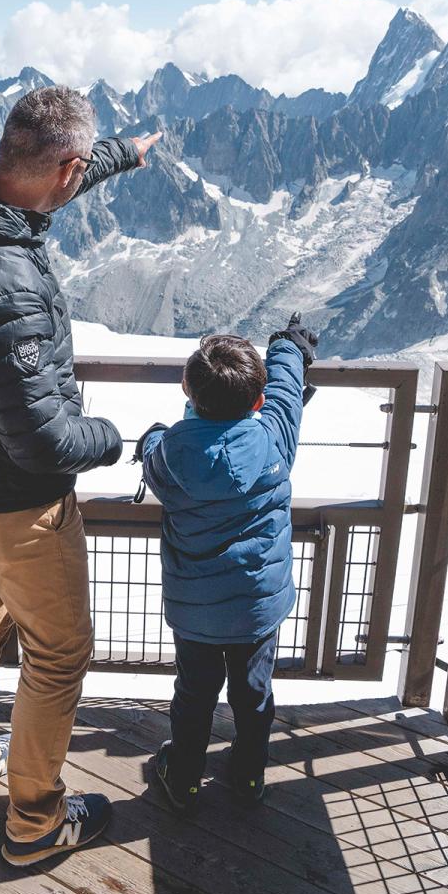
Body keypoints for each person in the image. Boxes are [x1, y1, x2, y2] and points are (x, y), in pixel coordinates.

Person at [0, 85, 160, 865]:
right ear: (65, 169)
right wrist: (115, 438)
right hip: (16, 506)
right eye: (83, 169)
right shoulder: (1, 281)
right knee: (55, 656)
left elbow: (51, 172)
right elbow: (44, 442)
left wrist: (122, 156)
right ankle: (35, 823)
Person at [134, 315, 317, 814]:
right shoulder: (274, 439)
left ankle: (186, 778)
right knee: (254, 693)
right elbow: (283, 391)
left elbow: (153, 451)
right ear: (256, 404)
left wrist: (152, 435)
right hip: (258, 609)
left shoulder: (171, 453)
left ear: (189, 395)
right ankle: (249, 775)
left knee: (194, 695)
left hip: (196, 612)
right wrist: (288, 346)